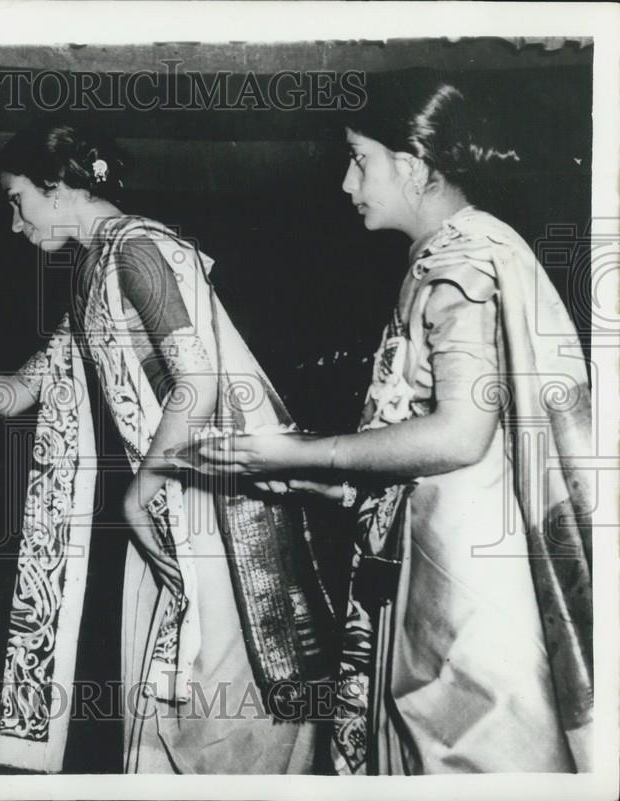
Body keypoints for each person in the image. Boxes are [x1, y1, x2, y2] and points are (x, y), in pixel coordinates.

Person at [0, 121, 338, 774]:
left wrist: (140, 496)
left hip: (212, 507)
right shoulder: (91, 277)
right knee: (165, 714)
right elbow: (12, 394)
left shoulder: (137, 247)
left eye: (17, 198)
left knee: (224, 721)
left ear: (59, 187)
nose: (15, 221)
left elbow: (198, 382)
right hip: (168, 503)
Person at [188, 78, 593, 774]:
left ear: (409, 165)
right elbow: (424, 443)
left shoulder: (460, 262)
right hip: (442, 561)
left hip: (466, 584)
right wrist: (308, 472)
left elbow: (461, 434)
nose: (347, 182)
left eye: (358, 159)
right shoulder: (455, 253)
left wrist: (310, 449)